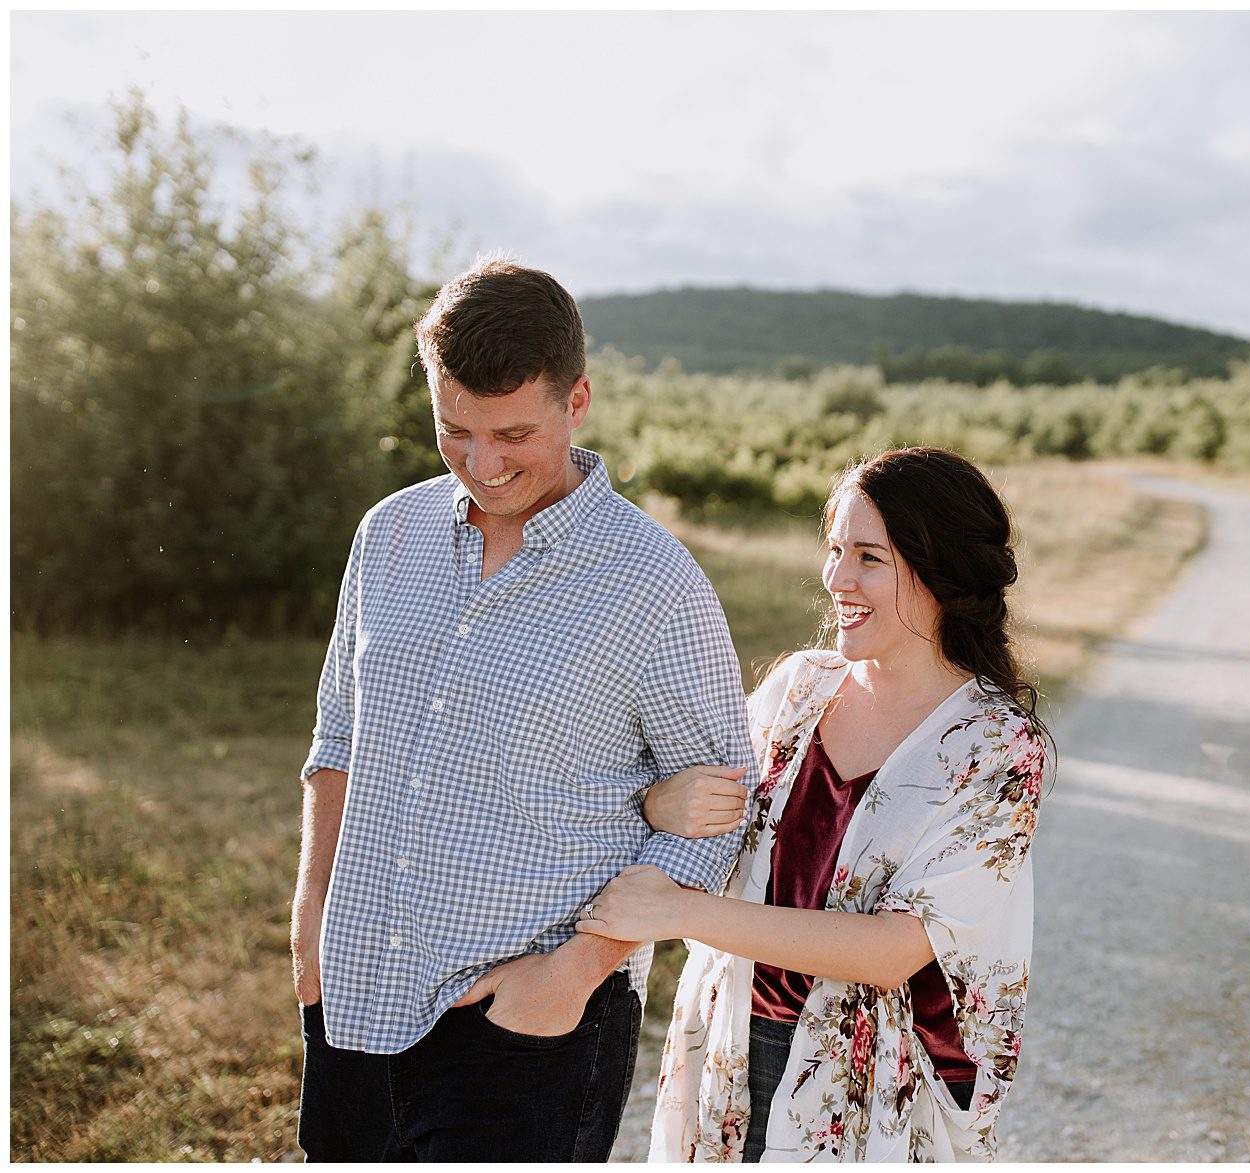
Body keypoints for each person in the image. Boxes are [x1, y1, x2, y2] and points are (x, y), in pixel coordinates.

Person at [290, 259, 753, 1161]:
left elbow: (717, 812)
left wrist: (568, 977)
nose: (483, 463)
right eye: (453, 430)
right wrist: (310, 919)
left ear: (576, 401)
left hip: (529, 1032)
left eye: (513, 433)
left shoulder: (653, 583)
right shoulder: (388, 534)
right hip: (353, 990)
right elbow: (339, 737)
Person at [576, 446, 1050, 1162]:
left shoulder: (999, 744)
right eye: (834, 550)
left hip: (869, 1082)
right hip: (728, 1039)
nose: (835, 577)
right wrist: (658, 800)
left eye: (869, 557)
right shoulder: (797, 689)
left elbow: (894, 950)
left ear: (942, 573)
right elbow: (702, 816)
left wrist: (681, 913)